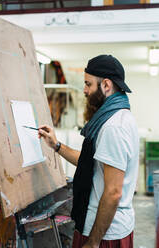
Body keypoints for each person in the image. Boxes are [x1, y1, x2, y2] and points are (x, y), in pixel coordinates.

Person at [38, 55, 139, 248]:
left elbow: (113, 192)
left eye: (88, 84)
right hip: (106, 229)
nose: (84, 90)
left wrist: (93, 242)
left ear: (106, 85)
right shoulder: (120, 115)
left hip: (104, 234)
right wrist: (56, 145)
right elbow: (92, 163)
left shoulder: (112, 127)